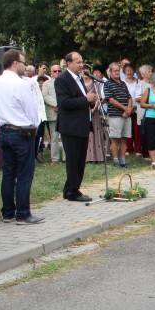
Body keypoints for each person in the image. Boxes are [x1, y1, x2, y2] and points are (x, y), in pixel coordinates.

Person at [0, 49, 44, 223]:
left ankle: (7, 212)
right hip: (21, 131)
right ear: (14, 63)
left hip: (4, 130)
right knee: (24, 174)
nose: (24, 66)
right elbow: (31, 108)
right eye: (22, 62)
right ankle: (23, 213)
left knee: (8, 173)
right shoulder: (20, 83)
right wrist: (34, 123)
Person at [55, 51, 98, 202]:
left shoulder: (79, 79)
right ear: (68, 63)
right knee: (73, 160)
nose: (81, 65)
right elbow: (64, 103)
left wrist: (90, 101)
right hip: (70, 126)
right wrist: (85, 99)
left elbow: (81, 100)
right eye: (78, 62)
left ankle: (70, 189)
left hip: (82, 125)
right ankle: (73, 192)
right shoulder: (62, 80)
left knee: (80, 160)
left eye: (81, 62)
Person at [103, 62, 133, 168]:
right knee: (115, 139)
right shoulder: (107, 84)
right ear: (110, 72)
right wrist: (125, 109)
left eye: (118, 71)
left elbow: (129, 97)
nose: (117, 73)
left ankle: (123, 160)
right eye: (115, 71)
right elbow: (111, 100)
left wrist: (128, 110)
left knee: (124, 138)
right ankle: (116, 161)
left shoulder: (123, 83)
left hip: (126, 115)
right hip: (115, 115)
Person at [82, 65, 106, 163]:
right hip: (82, 110)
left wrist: (93, 109)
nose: (85, 72)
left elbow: (98, 98)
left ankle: (97, 156)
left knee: (95, 132)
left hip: (93, 111)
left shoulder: (95, 83)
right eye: (83, 70)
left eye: (87, 70)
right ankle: (87, 157)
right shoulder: (80, 83)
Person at [41, 64, 64, 163]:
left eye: (59, 71)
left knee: (65, 136)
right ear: (51, 73)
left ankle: (66, 158)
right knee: (54, 137)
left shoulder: (65, 82)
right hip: (53, 112)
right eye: (55, 71)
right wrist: (57, 104)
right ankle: (55, 158)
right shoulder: (46, 83)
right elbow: (45, 96)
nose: (57, 73)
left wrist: (63, 105)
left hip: (65, 112)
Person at [122, 62, 142, 157]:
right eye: (127, 70)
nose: (129, 72)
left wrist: (134, 106)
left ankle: (138, 149)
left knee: (137, 130)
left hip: (137, 108)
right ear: (124, 72)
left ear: (134, 71)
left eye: (131, 70)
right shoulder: (122, 82)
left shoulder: (138, 82)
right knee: (127, 129)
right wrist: (127, 108)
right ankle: (129, 148)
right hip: (126, 108)